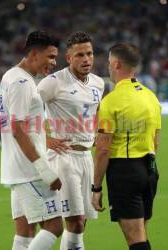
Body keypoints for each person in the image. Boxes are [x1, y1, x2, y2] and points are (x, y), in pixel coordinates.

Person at [37, 31, 105, 250]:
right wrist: (46, 139)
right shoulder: (53, 83)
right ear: (69, 58)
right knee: (74, 221)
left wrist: (92, 133)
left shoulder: (98, 83)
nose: (86, 59)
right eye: (79, 55)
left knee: (81, 223)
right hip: (63, 158)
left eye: (89, 54)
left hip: (86, 157)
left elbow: (95, 111)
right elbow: (25, 112)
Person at [92, 43, 161, 250]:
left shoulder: (110, 101)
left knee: (136, 239)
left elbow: (103, 149)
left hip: (124, 171)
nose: (108, 68)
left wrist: (96, 187)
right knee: (141, 233)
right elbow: (156, 141)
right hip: (149, 169)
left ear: (116, 63)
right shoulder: (151, 97)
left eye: (109, 63)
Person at [0, 30, 63, 250]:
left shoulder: (10, 75)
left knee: (25, 231)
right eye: (51, 56)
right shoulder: (22, 83)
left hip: (16, 167)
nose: (54, 62)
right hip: (30, 170)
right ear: (34, 54)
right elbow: (17, 129)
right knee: (54, 225)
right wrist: (44, 169)